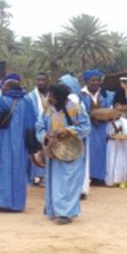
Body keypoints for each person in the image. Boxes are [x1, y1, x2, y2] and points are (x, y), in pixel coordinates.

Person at [0, 73, 40, 212]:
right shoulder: (27, 103)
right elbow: (31, 127)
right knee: (18, 171)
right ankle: (16, 204)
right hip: (19, 146)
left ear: (5, 89)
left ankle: (0, 202)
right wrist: (31, 146)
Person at [36, 83, 91, 225]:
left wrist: (69, 130)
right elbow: (39, 127)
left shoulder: (76, 109)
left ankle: (66, 213)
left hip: (72, 153)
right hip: (54, 153)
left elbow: (86, 127)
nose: (49, 98)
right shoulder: (48, 110)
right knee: (55, 182)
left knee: (69, 182)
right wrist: (46, 136)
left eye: (51, 96)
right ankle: (54, 210)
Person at [80, 69, 115, 187]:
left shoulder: (107, 94)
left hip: (102, 126)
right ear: (86, 81)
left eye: (98, 80)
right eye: (92, 80)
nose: (95, 83)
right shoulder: (80, 95)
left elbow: (111, 109)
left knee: (102, 151)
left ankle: (99, 177)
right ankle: (87, 177)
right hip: (87, 127)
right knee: (88, 151)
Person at [59, 74, 91, 198]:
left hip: (76, 139)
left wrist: (69, 130)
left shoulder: (76, 103)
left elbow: (84, 125)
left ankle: (78, 190)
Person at [27, 72, 51, 186]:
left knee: (47, 150)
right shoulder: (30, 96)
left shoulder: (52, 95)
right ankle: (36, 176)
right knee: (35, 152)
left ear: (48, 81)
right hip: (35, 127)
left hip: (50, 127)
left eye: (43, 80)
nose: (40, 82)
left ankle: (46, 178)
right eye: (38, 80)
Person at [105, 103, 127, 188]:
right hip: (112, 144)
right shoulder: (107, 122)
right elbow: (106, 134)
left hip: (124, 145)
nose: (119, 112)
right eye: (117, 110)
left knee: (122, 162)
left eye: (121, 110)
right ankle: (111, 181)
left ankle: (122, 180)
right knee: (111, 161)